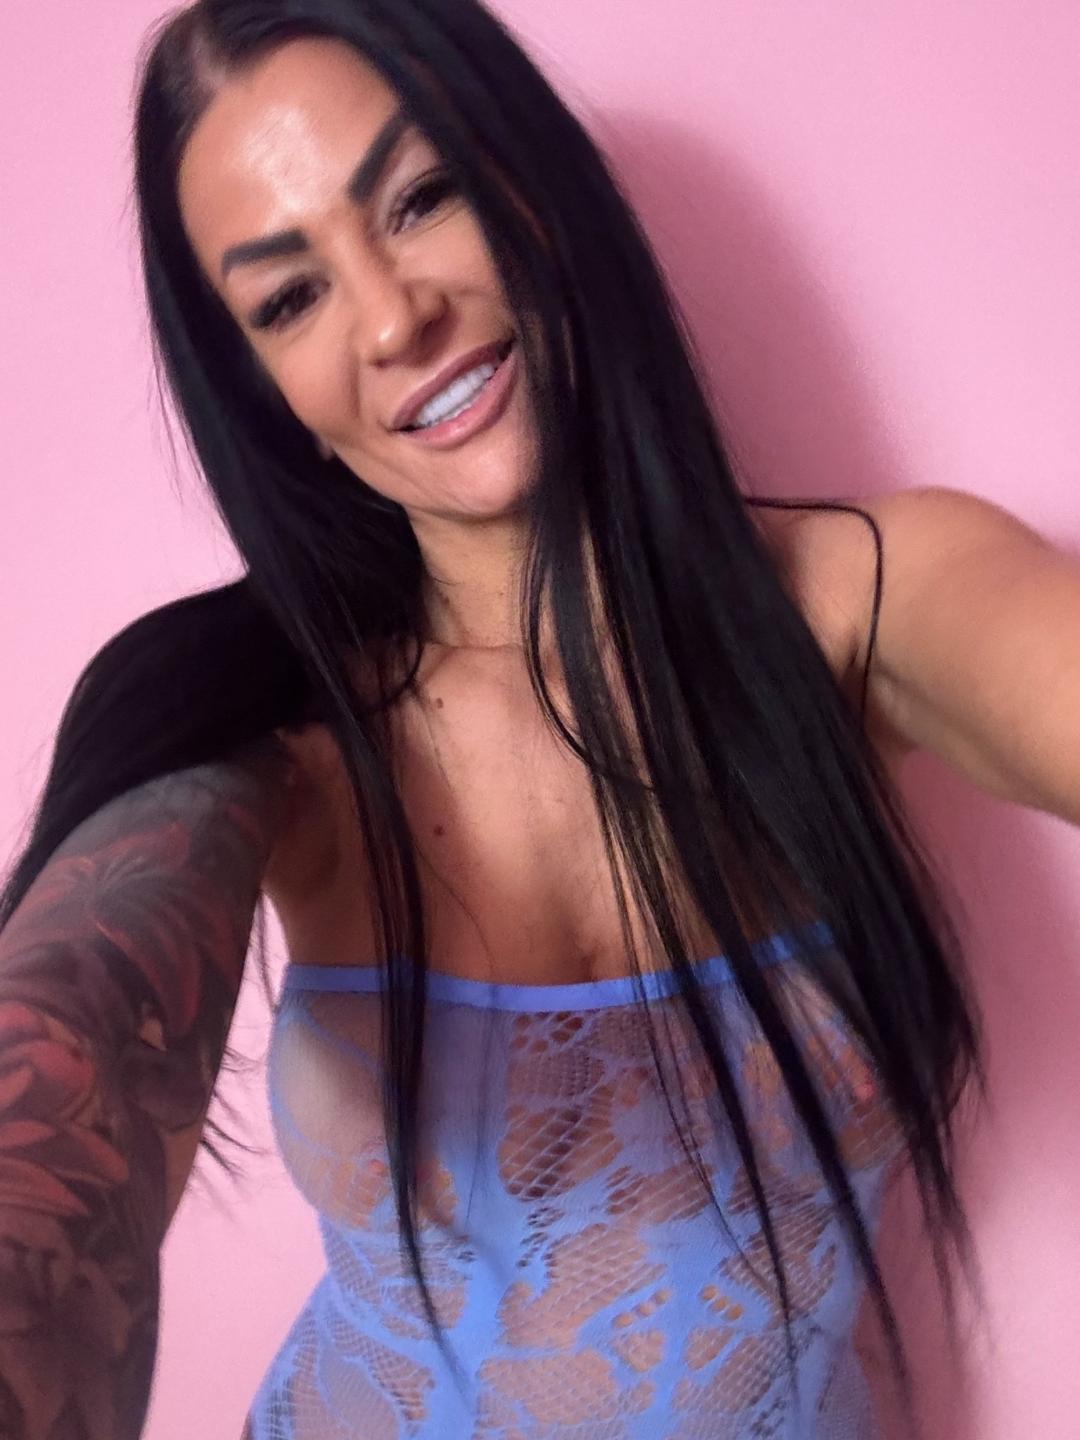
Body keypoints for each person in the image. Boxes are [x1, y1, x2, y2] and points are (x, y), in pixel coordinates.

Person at [2, 1, 1078, 1436]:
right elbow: (65, 1050)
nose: (394, 317)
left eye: (423, 195)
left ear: (534, 181)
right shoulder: (253, 729)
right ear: (264, 393)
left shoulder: (873, 598)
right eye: (291, 298)